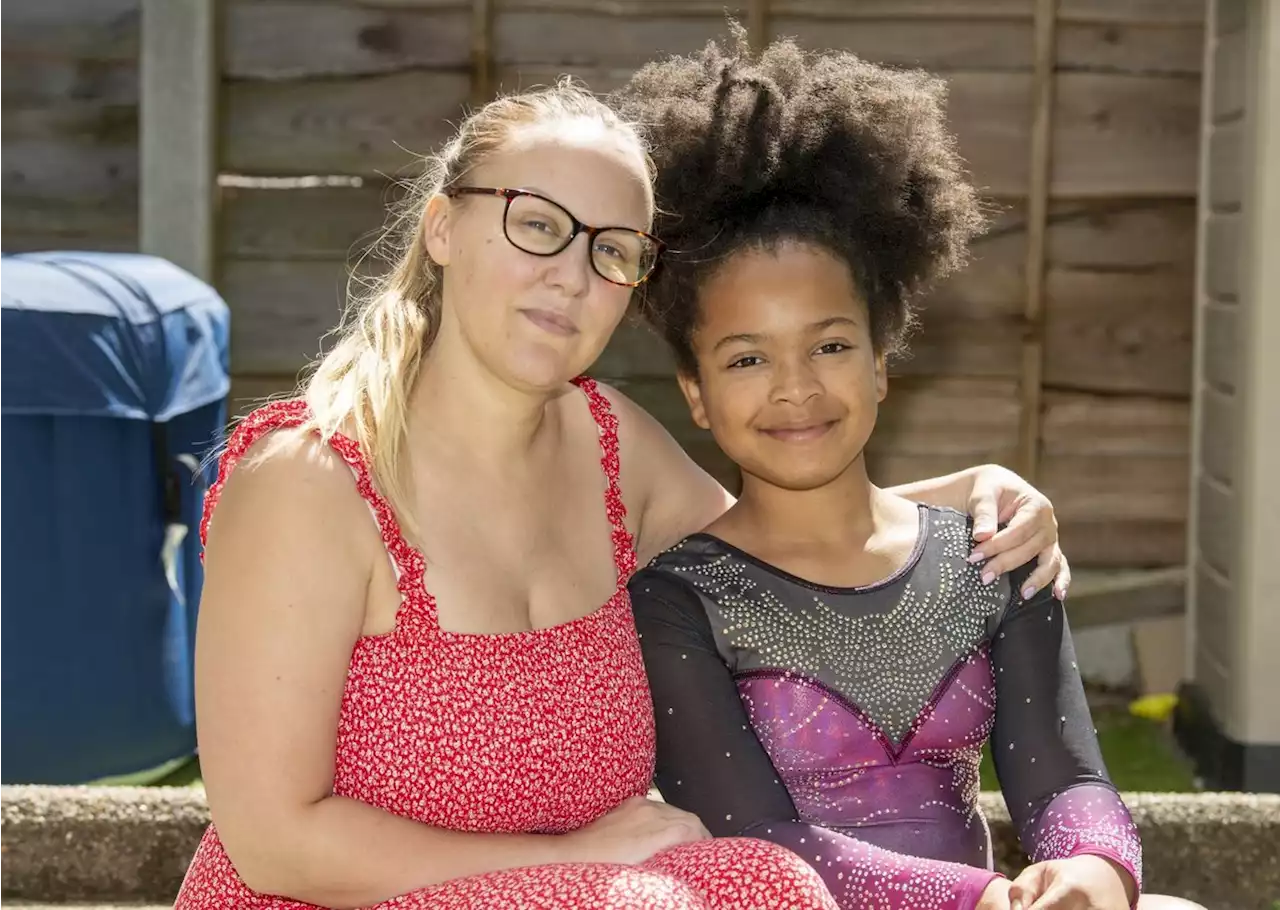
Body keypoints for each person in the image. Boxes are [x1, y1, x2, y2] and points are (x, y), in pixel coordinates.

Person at [173, 73, 1070, 909]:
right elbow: (274, 842)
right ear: (443, 228)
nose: (571, 274)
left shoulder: (610, 446)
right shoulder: (308, 482)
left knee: (770, 883)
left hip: (602, 895)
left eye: (613, 251)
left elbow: (787, 549)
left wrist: (968, 494)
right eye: (537, 225)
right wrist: (575, 866)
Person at [615, 30, 1207, 910]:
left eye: (831, 345)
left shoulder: (989, 551)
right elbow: (757, 838)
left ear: (883, 363)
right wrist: (981, 900)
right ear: (695, 393)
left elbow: (1066, 779)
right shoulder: (675, 599)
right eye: (746, 360)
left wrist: (1091, 873)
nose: (795, 389)